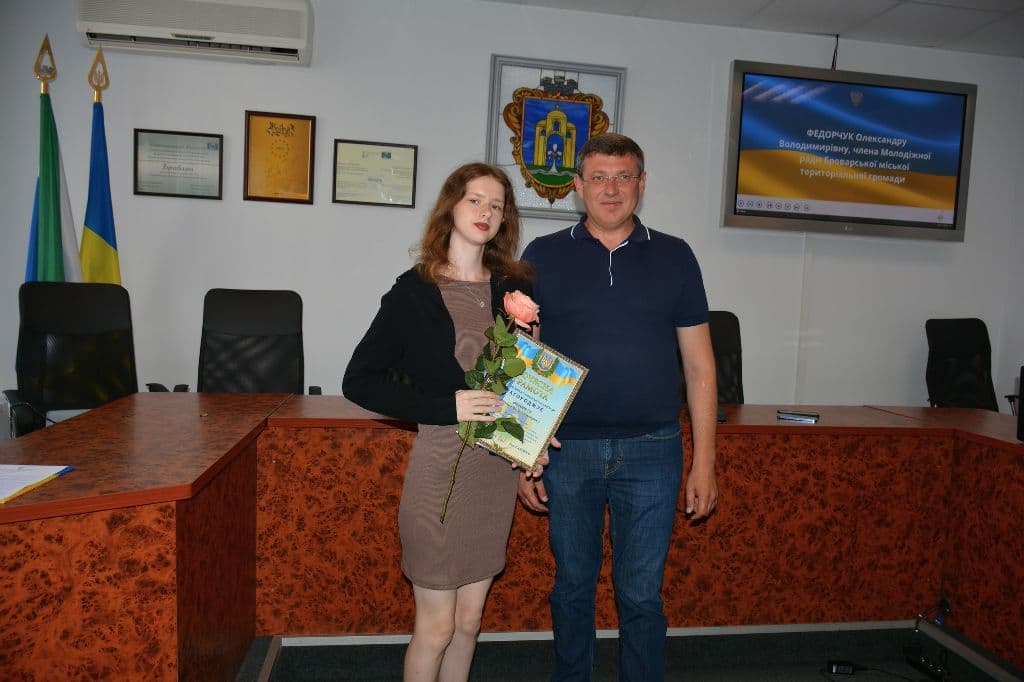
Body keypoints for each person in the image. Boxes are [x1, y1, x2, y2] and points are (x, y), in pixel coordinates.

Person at [518, 133, 719, 681]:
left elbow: (701, 368)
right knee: (571, 588)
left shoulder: (676, 256)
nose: (611, 189)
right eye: (599, 178)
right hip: (567, 452)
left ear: (641, 184)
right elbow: (526, 361)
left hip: (654, 450)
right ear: (578, 186)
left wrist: (704, 462)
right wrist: (524, 454)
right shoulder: (541, 255)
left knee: (641, 595)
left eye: (623, 177)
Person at [343, 162, 542, 682]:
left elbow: (523, 388)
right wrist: (446, 406)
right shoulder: (414, 291)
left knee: (470, 623)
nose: (486, 212)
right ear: (451, 206)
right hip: (440, 476)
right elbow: (358, 381)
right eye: (475, 200)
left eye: (497, 205)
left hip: (493, 476)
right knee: (436, 628)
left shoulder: (513, 291)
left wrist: (534, 442)